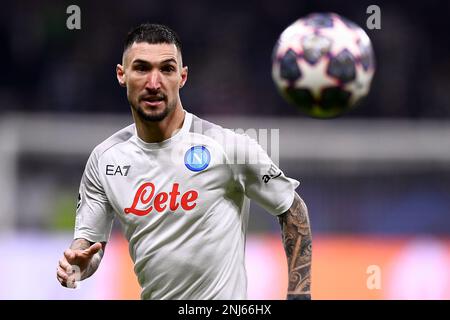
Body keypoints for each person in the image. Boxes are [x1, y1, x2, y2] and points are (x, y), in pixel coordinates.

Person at [56, 23, 312, 300]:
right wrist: (78, 265)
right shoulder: (105, 159)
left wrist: (299, 294)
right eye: (142, 68)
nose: (154, 83)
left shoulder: (227, 146)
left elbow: (292, 208)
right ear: (122, 74)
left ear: (182, 76)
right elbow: (90, 245)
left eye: (166, 69)